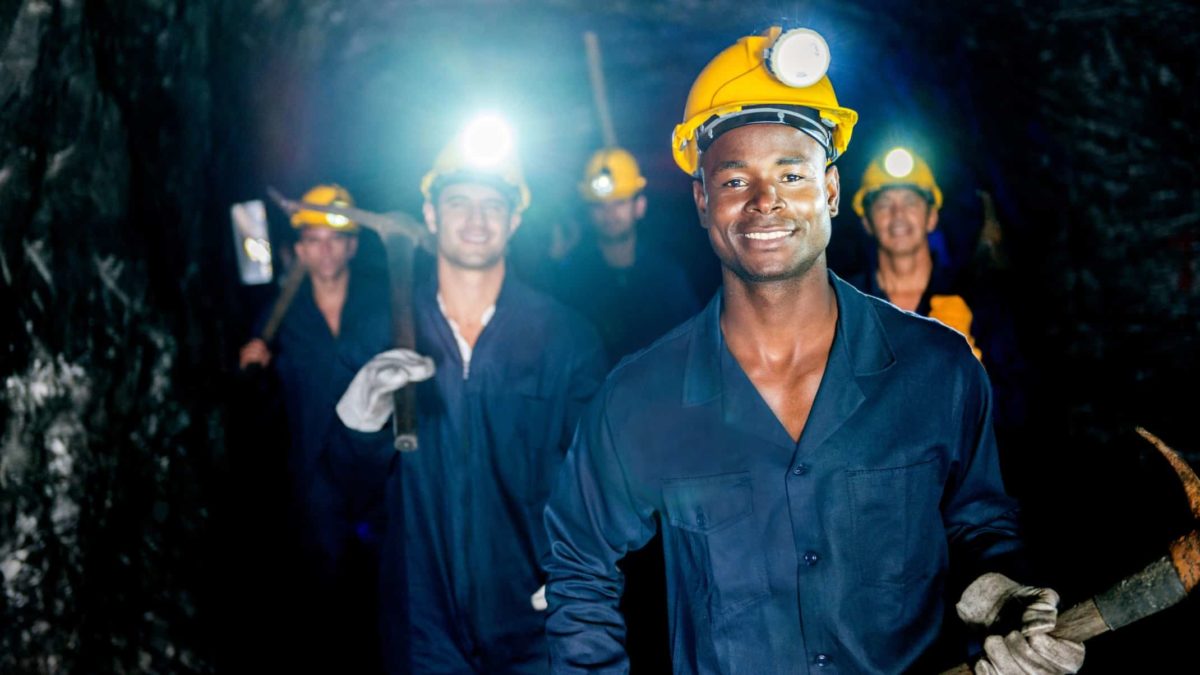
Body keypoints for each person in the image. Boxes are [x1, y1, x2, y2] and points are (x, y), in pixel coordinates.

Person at [542, 27, 1085, 674]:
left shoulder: (938, 371)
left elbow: (978, 526)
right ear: (701, 200)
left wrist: (1000, 590)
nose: (766, 201)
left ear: (829, 192)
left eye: (792, 174)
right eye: (736, 179)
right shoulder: (643, 394)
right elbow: (578, 562)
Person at [354, 118, 609, 673]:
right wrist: (357, 428)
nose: (475, 220)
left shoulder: (566, 339)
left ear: (514, 218)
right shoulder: (382, 334)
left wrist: (576, 580)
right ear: (430, 214)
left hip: (532, 620)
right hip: (422, 626)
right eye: (458, 202)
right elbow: (344, 489)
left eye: (492, 204)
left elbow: (596, 481)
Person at [238, 183, 394, 670]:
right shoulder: (280, 316)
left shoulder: (386, 308)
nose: (324, 250)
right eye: (313, 240)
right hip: (313, 479)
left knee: (387, 590)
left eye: (334, 239)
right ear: (299, 248)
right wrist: (252, 371)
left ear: (351, 245)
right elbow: (257, 411)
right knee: (325, 595)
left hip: (380, 475)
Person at [554, 147, 701, 360]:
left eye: (620, 202)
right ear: (589, 211)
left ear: (639, 206)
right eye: (600, 205)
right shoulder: (571, 280)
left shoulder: (667, 277)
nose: (610, 214)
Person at [847, 147, 982, 358]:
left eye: (910, 202)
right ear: (867, 222)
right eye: (884, 204)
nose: (898, 214)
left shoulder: (978, 299)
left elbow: (1016, 385)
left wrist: (970, 366)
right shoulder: (842, 307)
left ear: (931, 217)